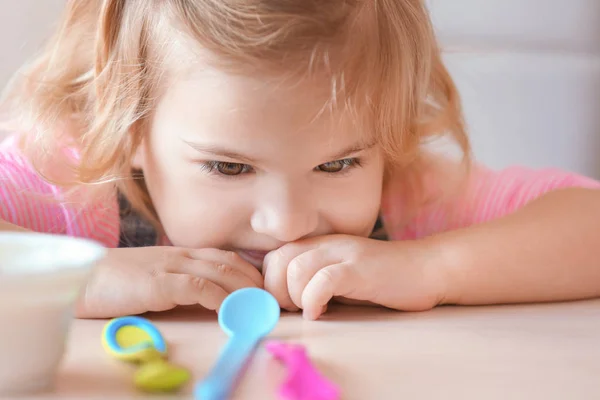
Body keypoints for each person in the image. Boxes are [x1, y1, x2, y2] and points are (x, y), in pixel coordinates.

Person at [1, 0, 599, 321]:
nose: (286, 224)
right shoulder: (71, 184)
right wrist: (73, 278)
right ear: (128, 121)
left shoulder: (406, 195)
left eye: (339, 166)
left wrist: (431, 268)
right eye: (230, 168)